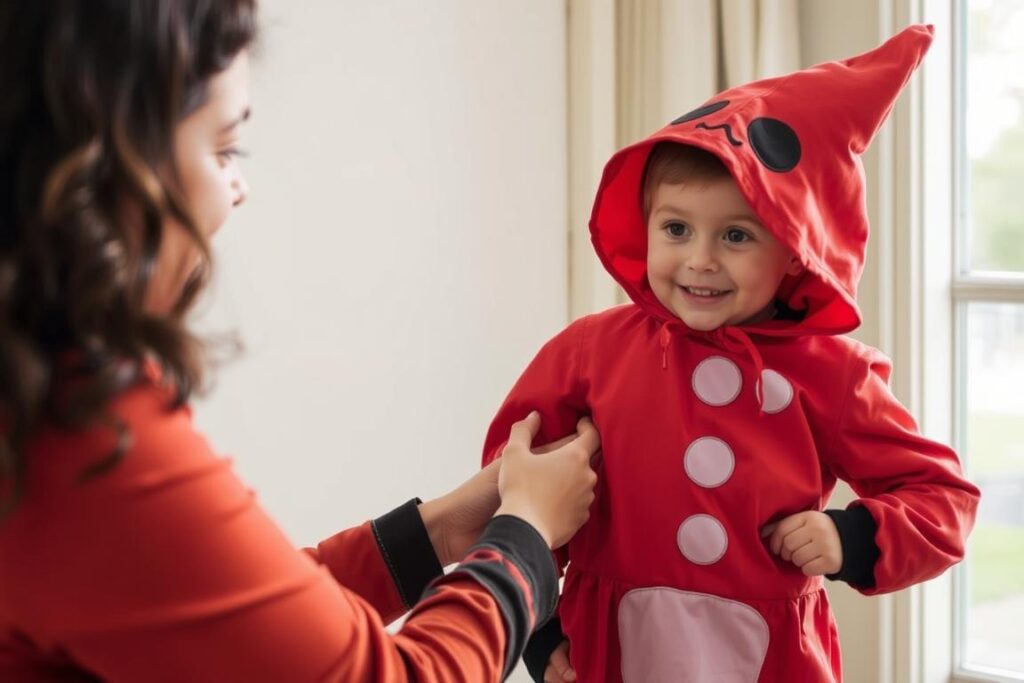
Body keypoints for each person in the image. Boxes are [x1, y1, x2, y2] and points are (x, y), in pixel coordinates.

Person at [0, 1, 600, 681]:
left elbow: (245, 627)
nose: (238, 188)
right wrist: (524, 533)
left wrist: (441, 532)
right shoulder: (86, 441)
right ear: (112, 163)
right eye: (224, 148)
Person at [480, 24, 981, 682]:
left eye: (737, 234)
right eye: (677, 228)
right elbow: (511, 482)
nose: (700, 260)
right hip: (606, 650)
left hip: (776, 660)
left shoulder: (831, 371)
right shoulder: (590, 351)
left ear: (795, 248)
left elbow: (943, 498)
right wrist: (539, 633)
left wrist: (848, 538)